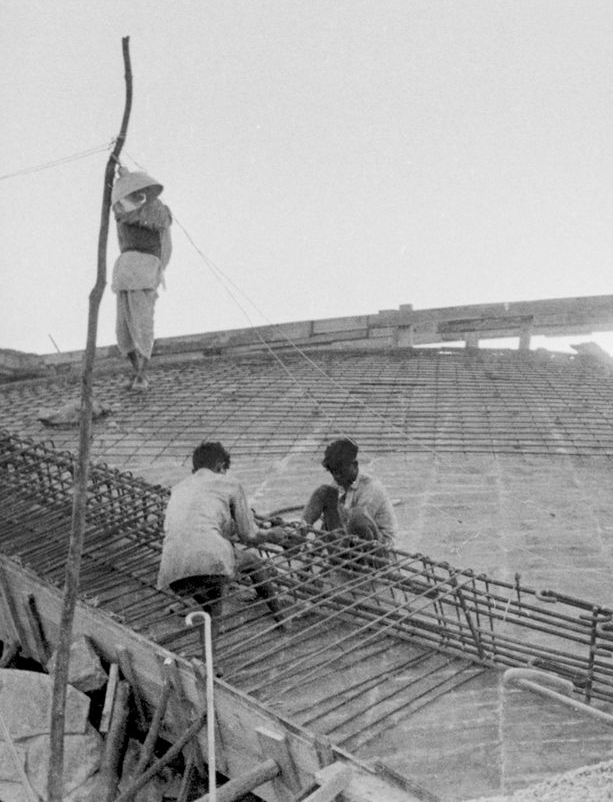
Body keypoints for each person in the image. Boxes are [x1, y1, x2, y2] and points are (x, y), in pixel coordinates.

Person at [156, 442, 289, 663]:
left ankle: (209, 661)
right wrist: (272, 535)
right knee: (253, 561)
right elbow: (249, 535)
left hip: (171, 568)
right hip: (209, 560)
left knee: (210, 604)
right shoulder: (230, 484)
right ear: (220, 465)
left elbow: (191, 524)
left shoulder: (179, 488)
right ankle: (282, 619)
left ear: (195, 469)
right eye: (224, 469)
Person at [110, 168, 173, 391]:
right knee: (123, 326)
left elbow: (165, 246)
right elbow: (121, 239)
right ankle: (136, 371)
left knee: (142, 323)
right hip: (126, 271)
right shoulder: (123, 214)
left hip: (145, 269)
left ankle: (142, 373)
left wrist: (157, 270)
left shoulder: (157, 211)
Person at [300, 438, 398, 548]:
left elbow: (359, 526)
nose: (337, 477)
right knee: (324, 492)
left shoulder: (371, 487)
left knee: (357, 516)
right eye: (333, 472)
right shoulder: (340, 482)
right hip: (349, 542)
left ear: (355, 465)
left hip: (377, 549)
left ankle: (338, 556)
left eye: (341, 471)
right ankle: (298, 534)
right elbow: (329, 519)